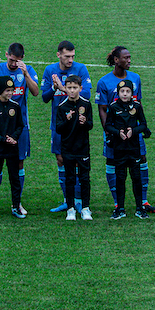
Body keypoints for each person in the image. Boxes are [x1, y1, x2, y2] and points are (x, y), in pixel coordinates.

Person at [0, 43, 39, 215]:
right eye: (11, 60)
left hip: (19, 127)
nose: (14, 64)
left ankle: (17, 202)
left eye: (17, 61)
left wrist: (26, 73)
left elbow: (36, 92)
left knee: (19, 163)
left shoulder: (27, 70)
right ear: (6, 55)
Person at [96, 46, 155, 212]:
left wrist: (141, 127)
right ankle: (117, 203)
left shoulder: (135, 78)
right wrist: (108, 131)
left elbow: (139, 105)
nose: (129, 60)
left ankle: (143, 201)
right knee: (112, 162)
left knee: (142, 159)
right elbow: (102, 108)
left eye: (130, 57)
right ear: (116, 60)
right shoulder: (104, 82)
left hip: (134, 132)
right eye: (126, 58)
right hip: (115, 133)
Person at [41, 40, 92, 213]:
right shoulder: (50, 70)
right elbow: (45, 97)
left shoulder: (81, 69)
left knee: (77, 161)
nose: (70, 60)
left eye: (72, 56)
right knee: (61, 159)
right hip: (60, 124)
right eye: (67, 56)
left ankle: (78, 201)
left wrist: (62, 88)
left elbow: (86, 93)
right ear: (59, 55)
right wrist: (54, 88)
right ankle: (67, 200)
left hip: (78, 126)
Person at [105, 79, 151, 219]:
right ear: (118, 93)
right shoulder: (113, 107)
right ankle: (120, 208)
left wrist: (134, 131)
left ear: (132, 93)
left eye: (128, 91)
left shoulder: (137, 106)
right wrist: (118, 132)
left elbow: (143, 125)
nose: (125, 94)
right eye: (122, 91)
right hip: (119, 148)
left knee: (136, 177)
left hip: (133, 148)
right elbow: (108, 125)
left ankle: (139, 208)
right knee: (120, 178)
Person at [0, 76, 25, 219]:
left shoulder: (15, 106)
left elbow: (21, 125)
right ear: (1, 90)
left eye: (11, 90)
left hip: (12, 149)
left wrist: (14, 137)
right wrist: (2, 139)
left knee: (14, 179)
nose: (10, 93)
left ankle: (16, 207)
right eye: (7, 90)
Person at [55, 76, 94, 221]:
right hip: (68, 148)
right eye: (69, 88)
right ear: (65, 88)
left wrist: (84, 122)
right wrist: (67, 119)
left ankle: (85, 208)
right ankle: (70, 208)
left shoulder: (86, 104)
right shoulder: (62, 106)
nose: (72, 91)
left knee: (85, 178)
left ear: (80, 88)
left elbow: (91, 125)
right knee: (70, 178)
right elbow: (59, 128)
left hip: (82, 147)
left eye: (75, 88)